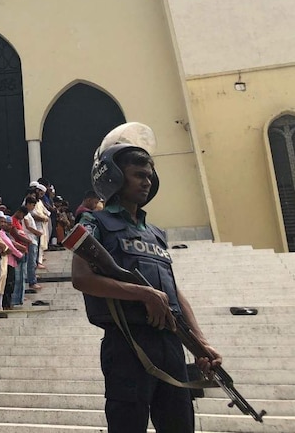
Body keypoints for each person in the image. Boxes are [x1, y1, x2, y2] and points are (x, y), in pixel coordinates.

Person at [72, 133, 222, 433]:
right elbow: (82, 278)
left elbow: (173, 292)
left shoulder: (155, 233)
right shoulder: (94, 223)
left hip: (170, 345)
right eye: (138, 175)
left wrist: (200, 343)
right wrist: (143, 294)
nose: (147, 182)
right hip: (127, 345)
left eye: (150, 176)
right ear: (115, 178)